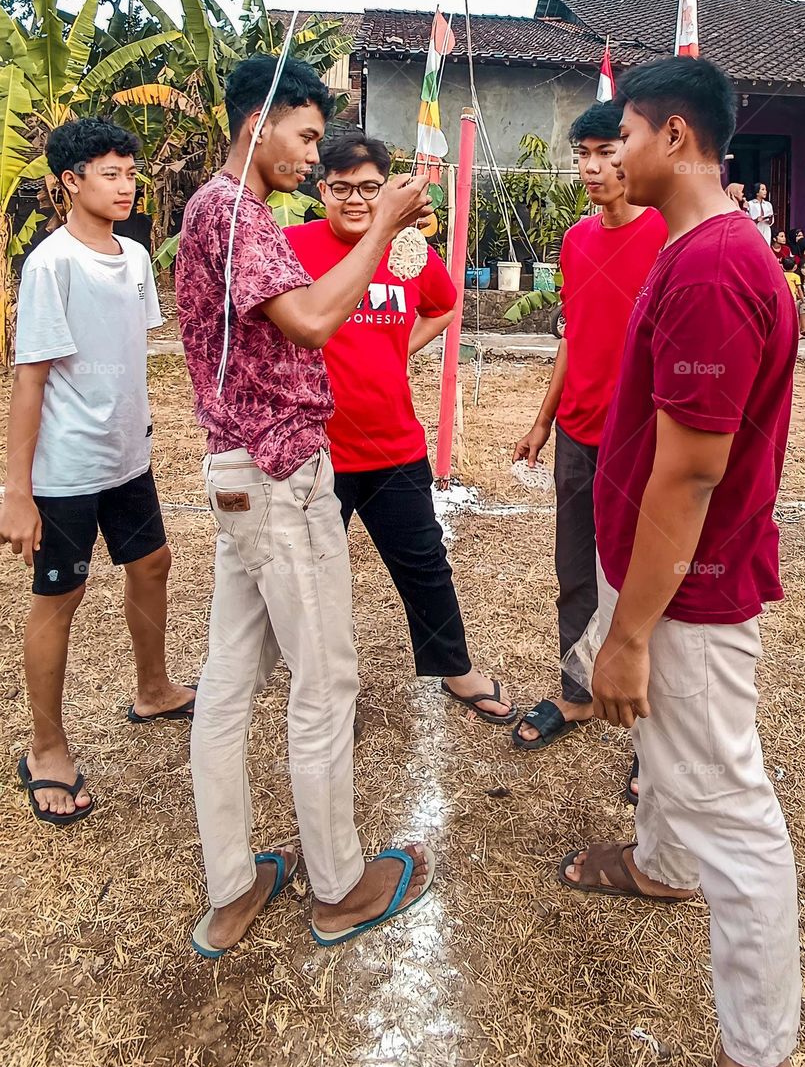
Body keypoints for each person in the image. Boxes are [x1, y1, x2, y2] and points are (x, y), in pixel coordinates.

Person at [559, 56, 801, 1067]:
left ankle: (760, 1047)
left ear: (674, 140)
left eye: (627, 137)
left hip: (688, 596)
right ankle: (658, 865)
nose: (611, 156)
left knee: (731, 814)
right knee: (672, 763)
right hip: (663, 576)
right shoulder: (692, 244)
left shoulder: (711, 267)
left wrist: (629, 633)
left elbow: (693, 473)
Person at [176, 55, 435, 958]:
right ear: (260, 120)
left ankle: (232, 886)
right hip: (279, 477)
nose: (312, 156)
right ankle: (337, 886)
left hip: (243, 473)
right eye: (308, 136)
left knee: (229, 680)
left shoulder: (220, 209)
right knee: (324, 682)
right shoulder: (233, 209)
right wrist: (387, 225)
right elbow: (315, 320)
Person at [0, 118, 195, 827]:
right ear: (70, 182)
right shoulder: (52, 264)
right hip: (67, 472)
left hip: (127, 460)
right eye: (107, 173)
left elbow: (126, 355)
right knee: (61, 597)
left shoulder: (136, 257)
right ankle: (46, 746)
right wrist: (16, 491)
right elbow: (31, 381)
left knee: (153, 564)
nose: (124, 184)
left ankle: (153, 686)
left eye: (129, 171)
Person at [284, 131, 515, 724]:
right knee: (310, 577)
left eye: (368, 188)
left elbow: (445, 303)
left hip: (392, 444)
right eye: (341, 188)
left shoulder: (409, 250)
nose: (355, 200)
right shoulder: (292, 246)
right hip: (315, 451)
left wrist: (397, 349)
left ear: (385, 189)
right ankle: (324, 687)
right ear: (321, 189)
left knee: (423, 561)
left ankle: (455, 668)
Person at [510, 102, 667, 798]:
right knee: (574, 570)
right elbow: (574, 337)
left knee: (648, 586)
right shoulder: (575, 241)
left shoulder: (668, 233)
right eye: (583, 154)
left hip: (643, 442)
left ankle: (656, 736)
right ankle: (575, 691)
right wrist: (544, 421)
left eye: (607, 151)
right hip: (577, 435)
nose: (594, 168)